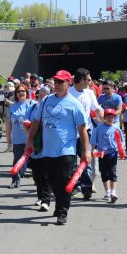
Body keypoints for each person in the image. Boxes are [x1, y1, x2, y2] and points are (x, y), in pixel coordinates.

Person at [26, 70, 90, 225]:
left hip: (66, 150)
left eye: (61, 82)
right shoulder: (46, 100)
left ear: (69, 83)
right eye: (56, 81)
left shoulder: (74, 103)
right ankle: (60, 202)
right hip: (48, 150)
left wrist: (86, 151)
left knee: (63, 180)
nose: (57, 84)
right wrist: (30, 141)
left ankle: (62, 211)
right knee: (52, 181)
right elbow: (36, 122)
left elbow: (82, 129)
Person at [69, 68, 103, 199]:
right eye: (88, 79)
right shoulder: (69, 92)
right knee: (71, 162)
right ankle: (74, 185)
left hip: (86, 131)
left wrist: (104, 120)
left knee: (86, 159)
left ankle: (86, 188)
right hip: (70, 133)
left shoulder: (89, 93)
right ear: (82, 79)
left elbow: (97, 109)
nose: (90, 82)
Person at [26, 86, 52, 211]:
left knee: (45, 174)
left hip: (46, 144)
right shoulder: (33, 107)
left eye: (45, 94)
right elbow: (26, 123)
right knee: (36, 174)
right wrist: (27, 128)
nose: (42, 96)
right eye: (40, 93)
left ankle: (46, 200)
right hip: (34, 144)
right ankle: (40, 197)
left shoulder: (50, 108)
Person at [90, 109, 124, 203]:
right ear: (104, 118)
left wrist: (122, 150)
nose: (110, 118)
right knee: (104, 173)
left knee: (112, 172)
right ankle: (107, 192)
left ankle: (113, 192)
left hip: (113, 153)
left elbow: (121, 141)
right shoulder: (99, 128)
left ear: (114, 118)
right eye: (108, 117)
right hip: (102, 154)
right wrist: (93, 149)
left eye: (112, 117)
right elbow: (93, 140)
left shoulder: (116, 128)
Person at [6, 84, 34, 188]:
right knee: (16, 160)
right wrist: (8, 139)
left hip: (29, 139)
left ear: (27, 92)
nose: (21, 93)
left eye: (23, 91)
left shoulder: (31, 105)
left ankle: (39, 181)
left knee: (34, 161)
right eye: (18, 92)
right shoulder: (13, 106)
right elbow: (9, 124)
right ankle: (15, 181)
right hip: (17, 138)